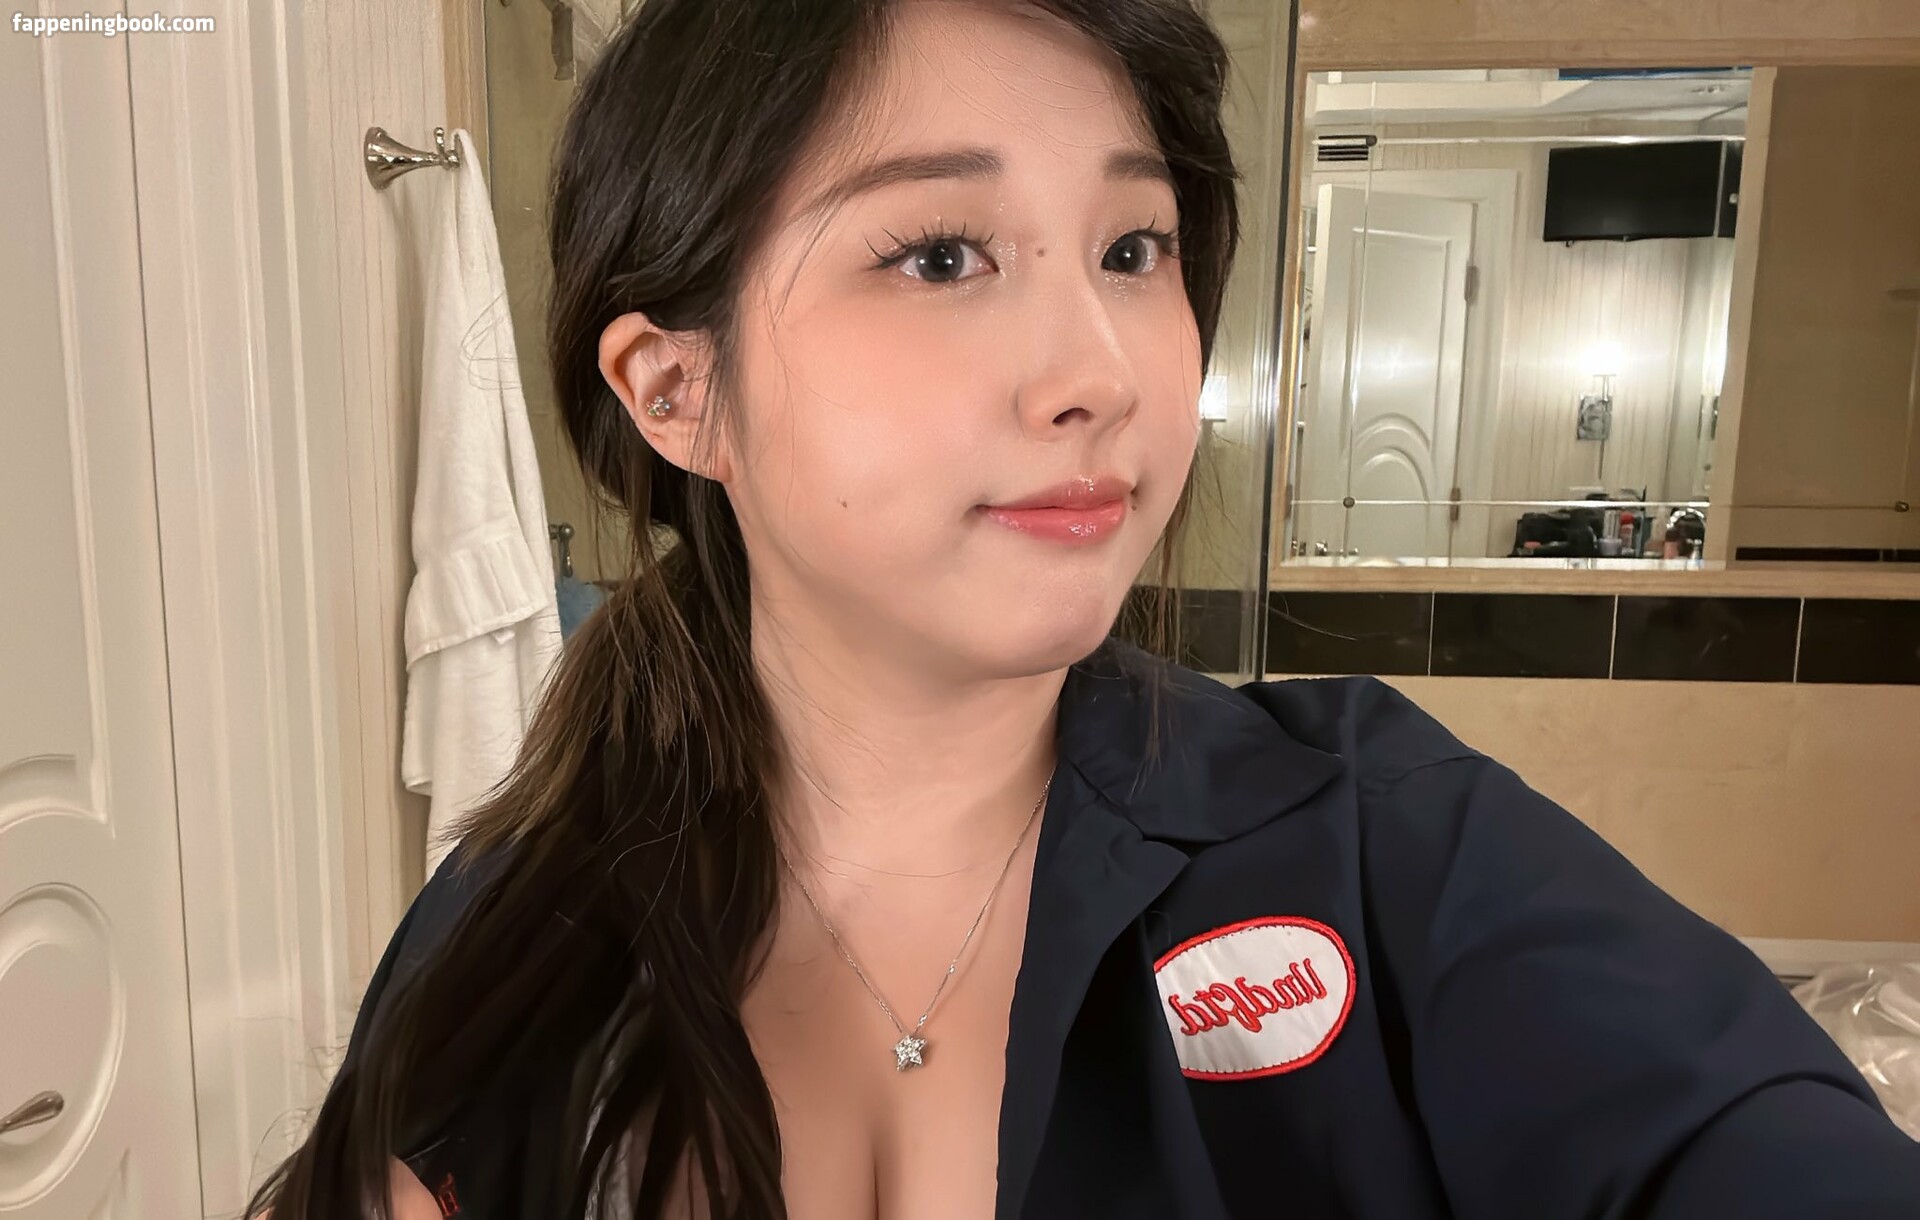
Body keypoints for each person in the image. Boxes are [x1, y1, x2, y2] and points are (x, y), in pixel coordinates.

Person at [252, 1, 1920, 1216]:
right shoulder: (509, 940)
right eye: (941, 255)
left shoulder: (1380, 848)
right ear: (677, 390)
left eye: (1135, 249)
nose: (1103, 373)